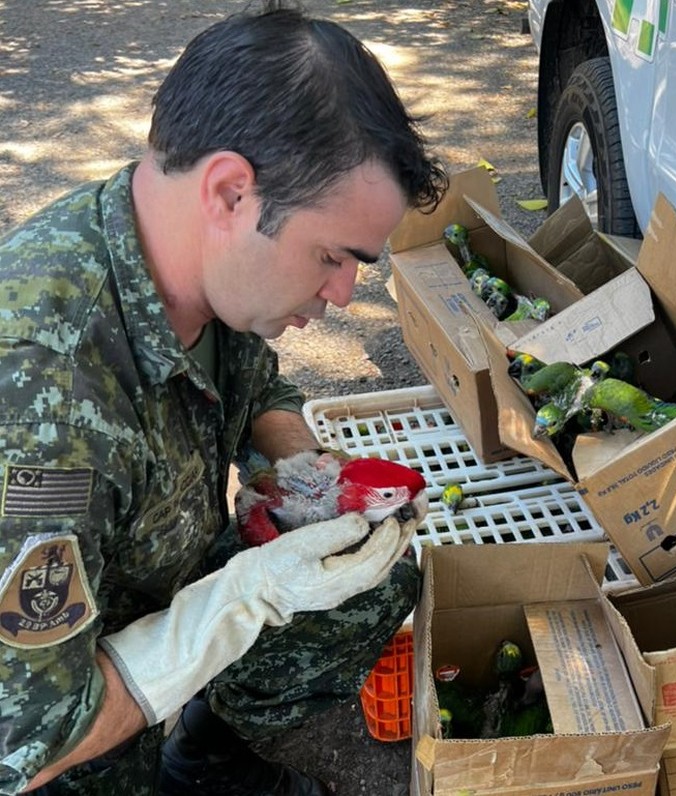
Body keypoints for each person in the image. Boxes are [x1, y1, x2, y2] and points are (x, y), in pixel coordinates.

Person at [0, 2, 448, 794]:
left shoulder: (189, 258)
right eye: (332, 256)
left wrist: (302, 468)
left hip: (150, 580)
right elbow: (27, 740)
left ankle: (208, 758)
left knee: (368, 580)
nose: (344, 293)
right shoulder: (44, 391)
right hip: (58, 723)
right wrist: (243, 599)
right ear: (232, 192)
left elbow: (255, 382)